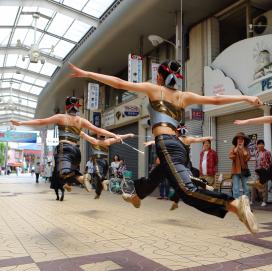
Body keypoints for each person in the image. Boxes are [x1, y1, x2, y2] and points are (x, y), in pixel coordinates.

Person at [69, 60, 262, 234]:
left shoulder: (154, 89)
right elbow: (215, 100)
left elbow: (118, 83)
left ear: (160, 76)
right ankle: (137, 195)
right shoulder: (183, 96)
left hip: (167, 144)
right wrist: (246, 98)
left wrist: (87, 74)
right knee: (159, 173)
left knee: (186, 191)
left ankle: (234, 204)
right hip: (176, 145)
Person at [11, 96, 120, 200]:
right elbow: (98, 130)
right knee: (69, 172)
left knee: (61, 173)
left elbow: (40, 121)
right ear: (77, 107)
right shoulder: (82, 120)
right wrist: (115, 135)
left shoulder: (61, 117)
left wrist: (21, 123)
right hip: (77, 152)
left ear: (66, 107)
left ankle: (82, 178)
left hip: (65, 149)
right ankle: (81, 178)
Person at [80, 132, 134, 199]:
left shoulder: (94, 141)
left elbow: (84, 135)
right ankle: (98, 192)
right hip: (105, 163)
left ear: (98, 135)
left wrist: (78, 131)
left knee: (98, 176)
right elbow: (119, 136)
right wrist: (129, 135)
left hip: (98, 162)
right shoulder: (107, 141)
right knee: (100, 178)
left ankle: (104, 182)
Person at [229, 132, 251, 200]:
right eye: (238, 139)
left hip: (244, 171)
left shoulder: (246, 149)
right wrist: (236, 150)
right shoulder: (233, 148)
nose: (240, 140)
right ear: (236, 140)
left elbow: (247, 159)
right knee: (235, 189)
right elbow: (230, 157)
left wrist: (243, 150)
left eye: (242, 139)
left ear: (244, 140)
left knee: (246, 189)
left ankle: (245, 205)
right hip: (235, 171)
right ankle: (237, 205)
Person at [250, 139, 271, 207]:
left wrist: (266, 171)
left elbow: (269, 162)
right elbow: (256, 162)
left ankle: (264, 201)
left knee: (264, 186)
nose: (260, 145)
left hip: (264, 171)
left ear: (264, 145)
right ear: (257, 145)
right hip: (257, 171)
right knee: (254, 185)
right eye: (259, 144)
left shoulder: (267, 152)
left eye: (262, 144)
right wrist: (255, 170)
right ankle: (252, 200)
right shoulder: (256, 152)